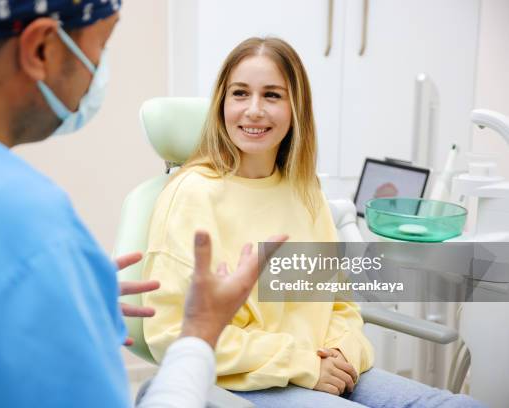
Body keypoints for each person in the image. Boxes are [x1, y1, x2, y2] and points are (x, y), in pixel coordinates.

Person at [0, 2, 285, 407]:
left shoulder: (307, 196)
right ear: (42, 48)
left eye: (273, 95)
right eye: (104, 41)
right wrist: (202, 333)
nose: (98, 70)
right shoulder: (24, 224)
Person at [141, 37, 485, 408]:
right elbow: (173, 332)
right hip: (247, 381)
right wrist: (303, 364)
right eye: (240, 94)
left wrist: (342, 353)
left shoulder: (305, 191)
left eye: (272, 95)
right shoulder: (192, 194)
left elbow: (339, 304)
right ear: (222, 103)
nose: (253, 110)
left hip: (327, 369)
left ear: (296, 108)